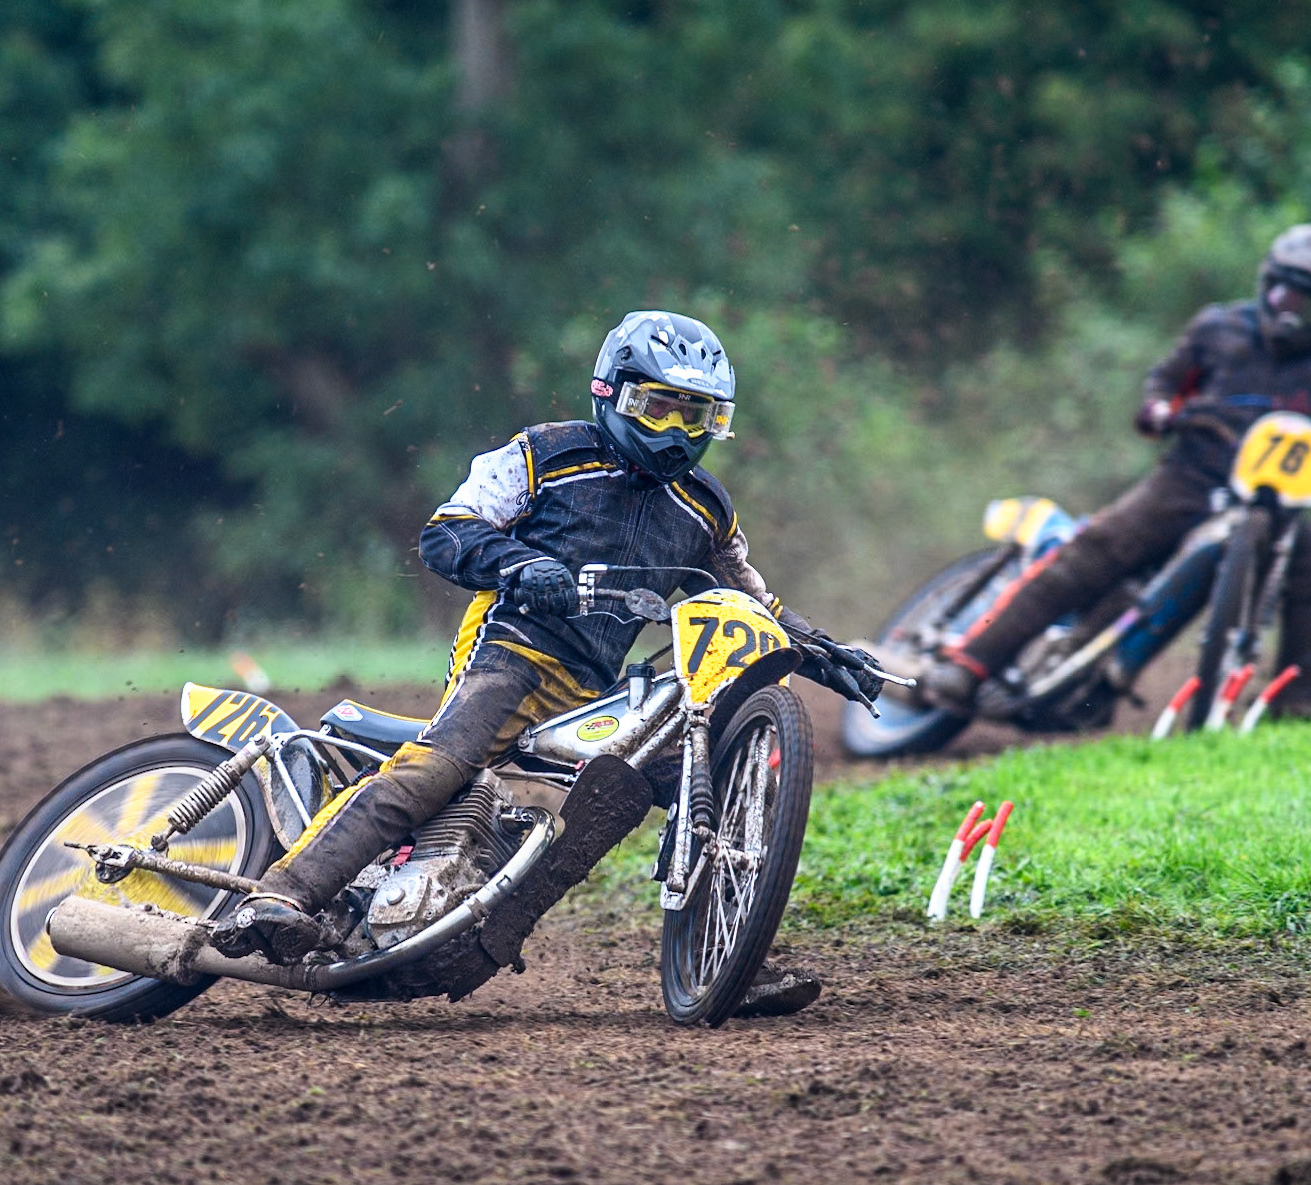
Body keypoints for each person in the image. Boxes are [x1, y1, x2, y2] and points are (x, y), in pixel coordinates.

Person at [211, 310, 878, 1017]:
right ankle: (281, 893)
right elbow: (447, 531)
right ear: (610, 393)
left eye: (698, 417)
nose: (677, 433)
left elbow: (752, 602)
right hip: (512, 653)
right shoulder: (544, 456)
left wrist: (824, 653)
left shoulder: (706, 509)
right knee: (439, 767)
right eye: (659, 408)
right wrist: (522, 564)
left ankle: (732, 956)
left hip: (599, 692)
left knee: (702, 781)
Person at [925, 224, 1311, 717]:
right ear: (1266, 286)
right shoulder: (1218, 328)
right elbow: (1165, 380)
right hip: (1188, 481)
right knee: (1093, 553)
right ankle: (972, 663)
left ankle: (1298, 709)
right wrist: (1159, 408)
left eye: (1306, 304)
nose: (1290, 313)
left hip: (1277, 511)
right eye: (1284, 296)